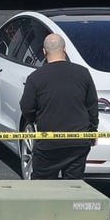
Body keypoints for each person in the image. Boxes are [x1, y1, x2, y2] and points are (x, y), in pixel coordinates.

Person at [19, 33, 98, 179]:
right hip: (78, 142)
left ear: (44, 51)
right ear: (65, 49)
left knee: (44, 187)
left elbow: (26, 107)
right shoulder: (83, 73)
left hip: (48, 143)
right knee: (73, 186)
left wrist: (34, 119)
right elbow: (92, 106)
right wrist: (92, 131)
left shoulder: (36, 77)